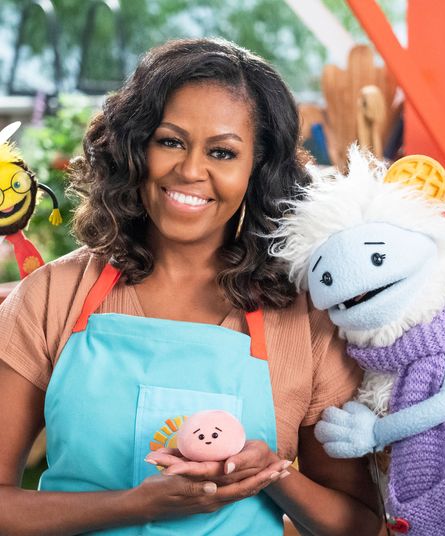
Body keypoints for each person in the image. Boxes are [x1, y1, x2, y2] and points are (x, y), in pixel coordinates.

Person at [0, 38, 381, 535]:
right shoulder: (54, 295)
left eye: (223, 152)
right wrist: (135, 505)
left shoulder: (303, 317)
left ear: (257, 170)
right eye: (170, 141)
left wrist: (273, 474)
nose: (190, 171)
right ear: (135, 147)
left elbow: (360, 525)